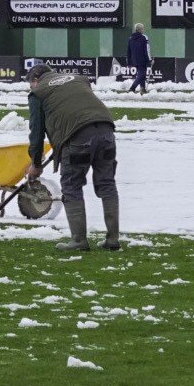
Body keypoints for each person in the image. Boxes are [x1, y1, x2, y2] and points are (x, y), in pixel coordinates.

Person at [26, 62, 119, 252]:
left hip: (76, 137)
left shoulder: (38, 92)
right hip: (106, 130)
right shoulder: (79, 79)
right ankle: (113, 239)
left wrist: (35, 163)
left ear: (35, 80)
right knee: (107, 183)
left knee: (71, 185)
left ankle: (78, 240)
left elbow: (36, 133)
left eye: (30, 85)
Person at [126, 23, 151, 94]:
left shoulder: (131, 38)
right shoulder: (144, 37)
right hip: (143, 59)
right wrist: (149, 60)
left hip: (134, 60)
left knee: (141, 74)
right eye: (143, 29)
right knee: (141, 75)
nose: (143, 30)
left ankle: (142, 89)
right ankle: (132, 88)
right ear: (140, 29)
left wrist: (129, 62)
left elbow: (128, 51)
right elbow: (147, 50)